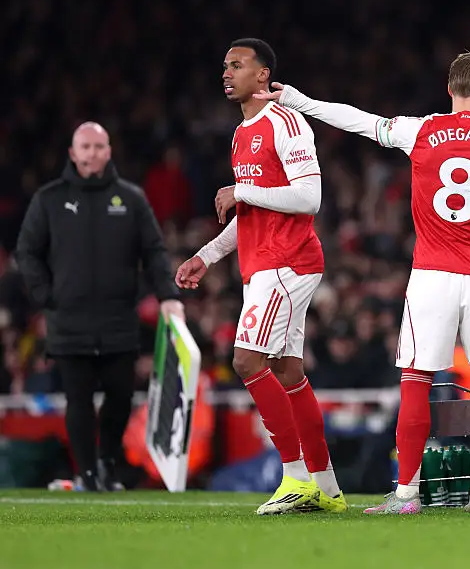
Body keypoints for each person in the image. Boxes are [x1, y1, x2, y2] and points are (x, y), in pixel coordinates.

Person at [255, 51, 470, 514]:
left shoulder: (420, 130)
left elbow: (360, 121)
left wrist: (302, 101)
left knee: (417, 379)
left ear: (449, 89)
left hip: (432, 274)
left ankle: (407, 493)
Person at [174, 38, 346, 515]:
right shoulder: (241, 132)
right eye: (224, 65)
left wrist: (242, 188)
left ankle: (293, 478)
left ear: (264, 75)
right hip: (263, 261)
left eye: (237, 65)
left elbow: (308, 198)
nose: (226, 72)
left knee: (248, 362)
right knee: (289, 373)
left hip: (287, 262)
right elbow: (248, 212)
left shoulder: (286, 122)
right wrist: (206, 256)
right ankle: (326, 486)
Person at [15, 122, 183, 492]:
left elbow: (154, 252)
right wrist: (45, 295)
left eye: (98, 146)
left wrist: (168, 295)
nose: (92, 153)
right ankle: (88, 473)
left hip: (118, 318)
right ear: (73, 153)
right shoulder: (49, 199)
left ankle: (106, 461)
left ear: (109, 151)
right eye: (85, 147)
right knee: (78, 398)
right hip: (68, 319)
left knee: (121, 395)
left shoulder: (132, 199)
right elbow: (26, 251)